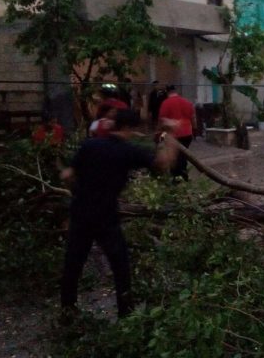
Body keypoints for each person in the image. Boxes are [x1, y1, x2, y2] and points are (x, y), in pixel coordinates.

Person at [59, 110, 177, 324]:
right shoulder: (127, 151)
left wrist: (79, 193)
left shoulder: (90, 145)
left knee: (73, 264)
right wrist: (169, 133)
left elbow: (67, 175)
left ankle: (67, 311)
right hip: (106, 216)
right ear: (130, 128)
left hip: (81, 213)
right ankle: (126, 315)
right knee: (120, 266)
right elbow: (163, 163)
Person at [158, 85, 197, 181]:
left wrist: (159, 132)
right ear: (176, 91)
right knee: (183, 156)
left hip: (173, 135)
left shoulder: (166, 103)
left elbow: (161, 120)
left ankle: (176, 177)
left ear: (167, 92)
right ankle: (183, 175)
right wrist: (195, 129)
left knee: (174, 156)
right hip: (187, 133)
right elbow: (193, 118)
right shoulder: (187, 102)